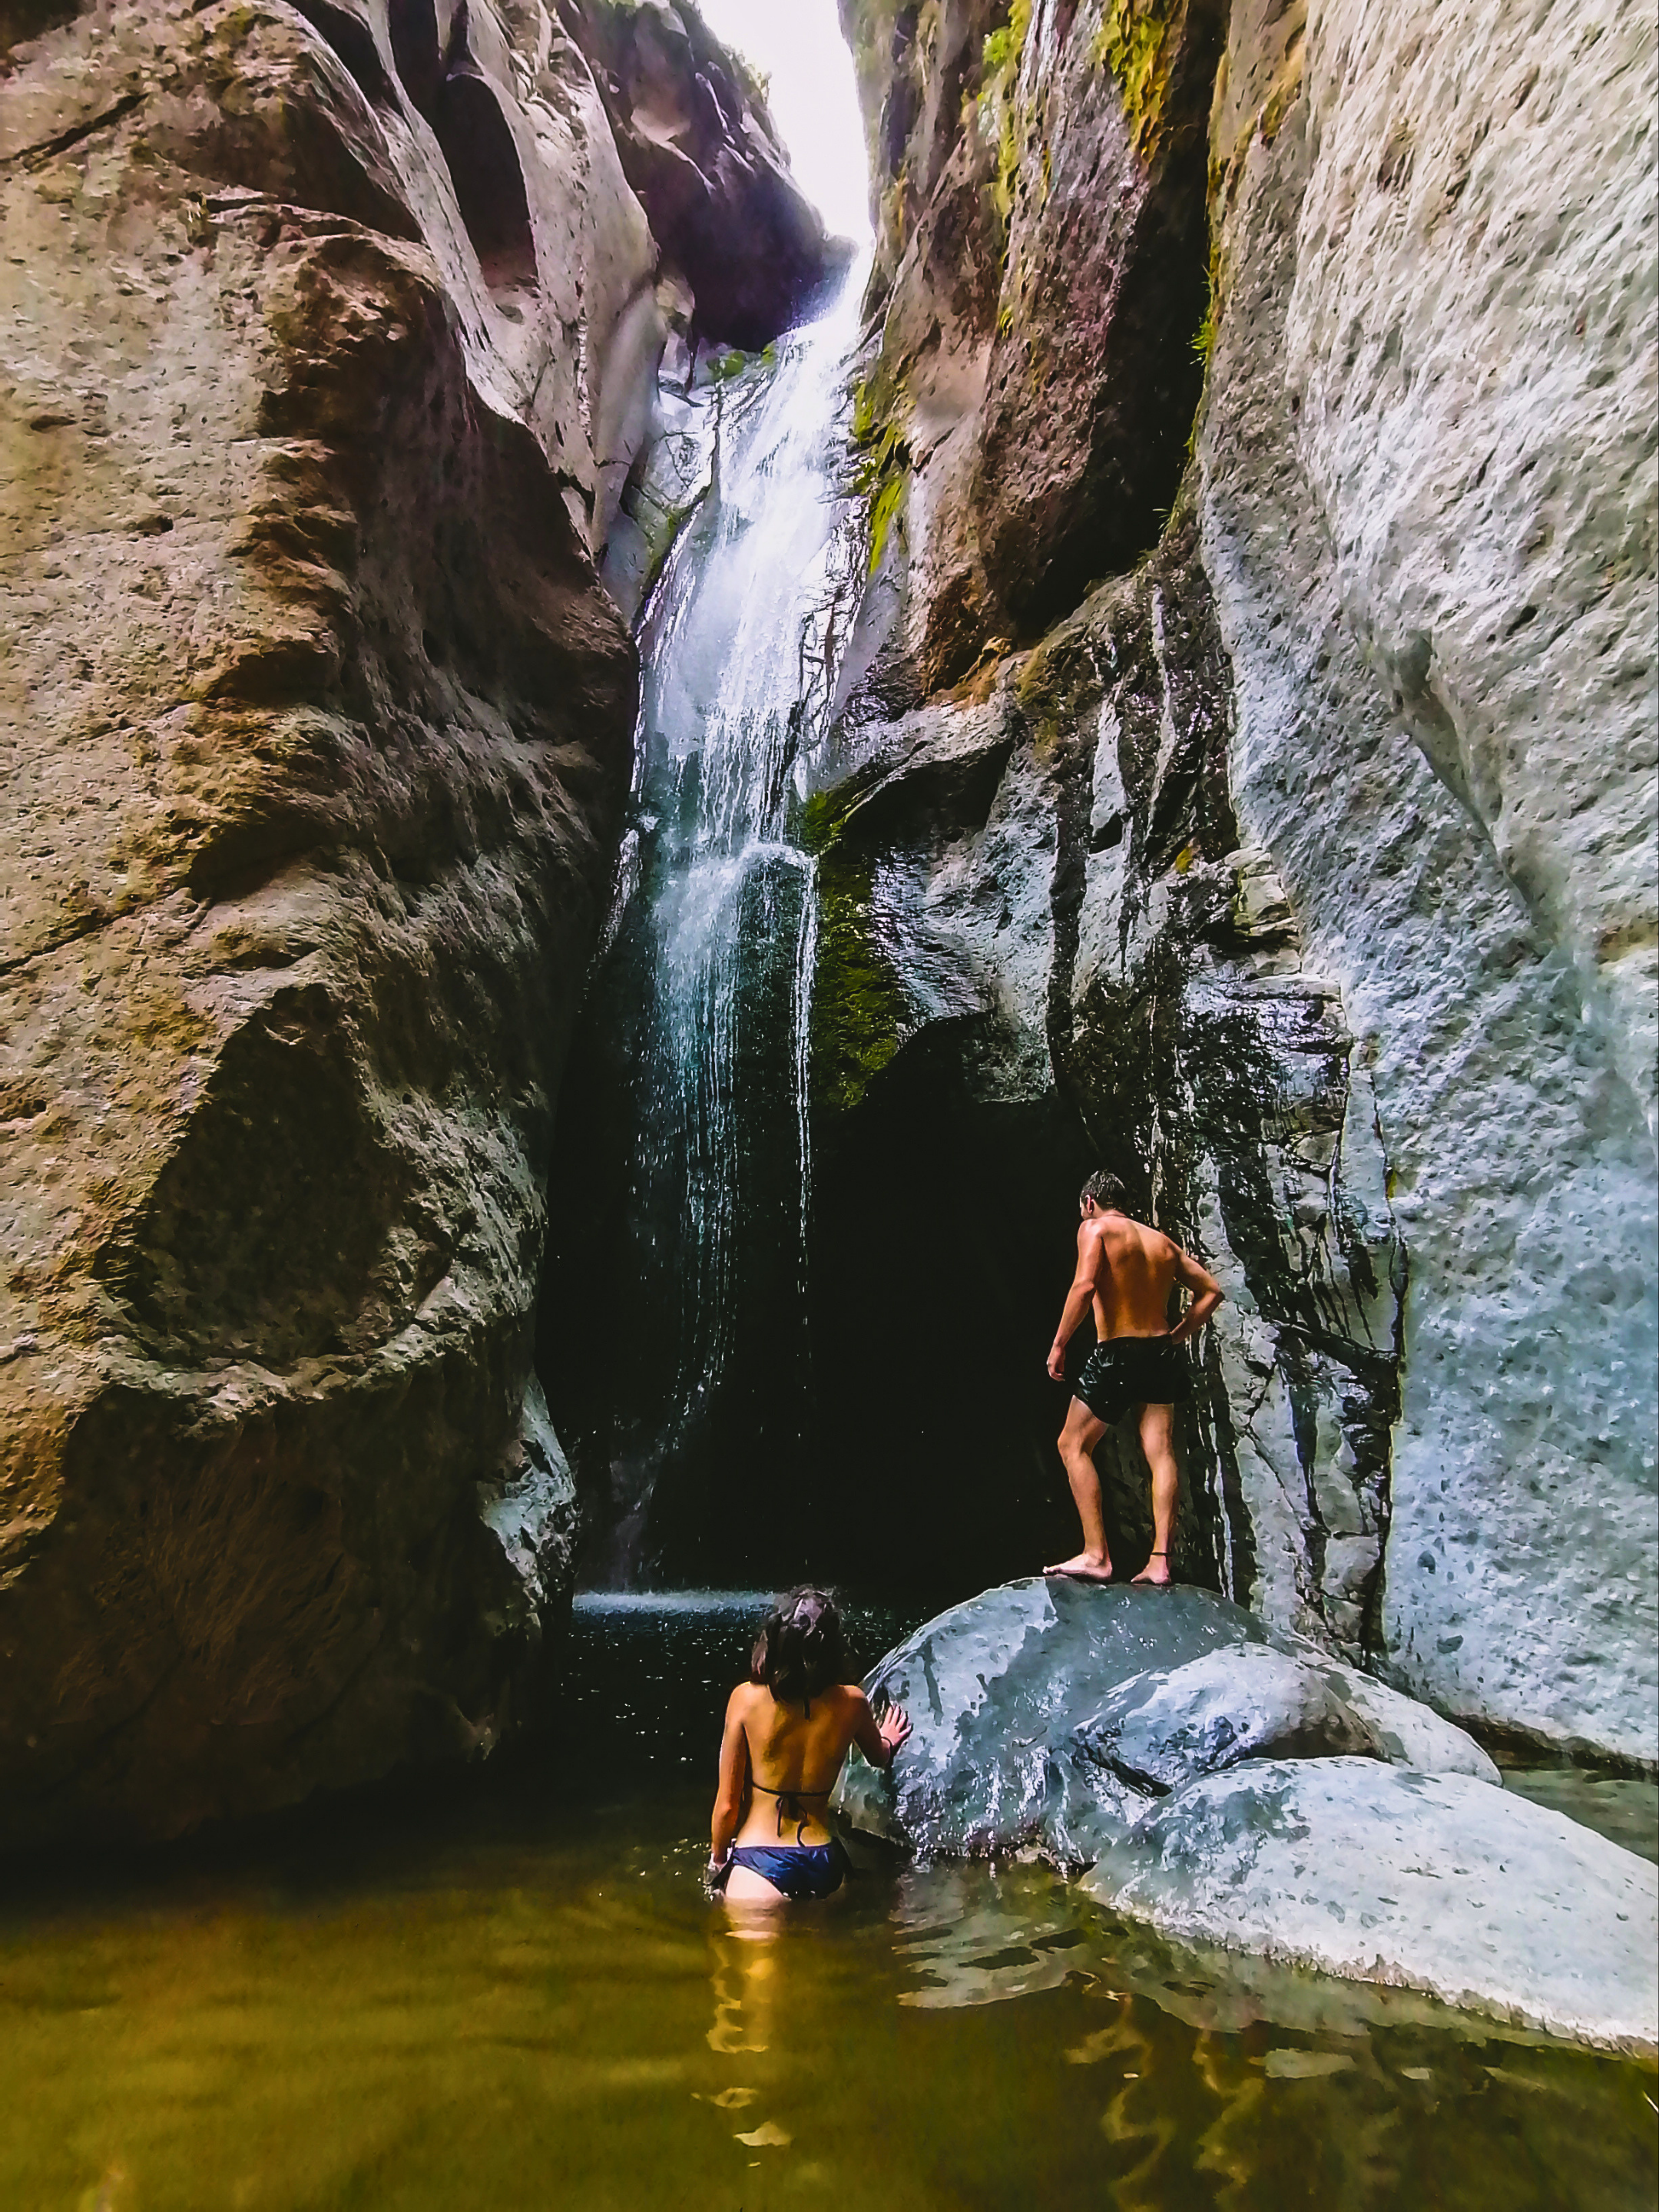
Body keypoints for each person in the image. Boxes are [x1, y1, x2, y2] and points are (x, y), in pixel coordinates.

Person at [1045, 1169, 1223, 1586]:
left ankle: (1096, 1554)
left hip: (1118, 1351)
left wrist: (1059, 1345)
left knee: (1072, 1444)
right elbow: (1212, 1291)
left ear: (1090, 1202)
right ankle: (1160, 1562)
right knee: (1159, 1450)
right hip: (1160, 1351)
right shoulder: (1160, 1242)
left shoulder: (1096, 1229)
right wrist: (1176, 1336)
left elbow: (1084, 1286)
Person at [708, 1588, 911, 1905]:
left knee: (746, 1954)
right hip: (825, 1863)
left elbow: (727, 1806)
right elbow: (879, 1756)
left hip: (759, 1867)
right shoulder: (852, 1702)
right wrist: (887, 1738)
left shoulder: (745, 1700)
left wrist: (717, 1864)